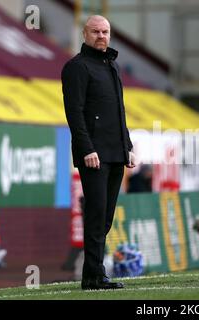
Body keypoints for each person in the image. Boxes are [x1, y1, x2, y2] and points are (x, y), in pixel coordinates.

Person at [61, 15, 137, 290]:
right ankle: (95, 276)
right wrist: (87, 149)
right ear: (85, 34)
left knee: (104, 218)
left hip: (116, 152)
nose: (101, 36)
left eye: (105, 31)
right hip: (93, 155)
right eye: (96, 32)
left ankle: (91, 275)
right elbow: (75, 114)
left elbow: (119, 111)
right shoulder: (76, 68)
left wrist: (127, 145)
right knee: (95, 214)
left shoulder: (112, 66)